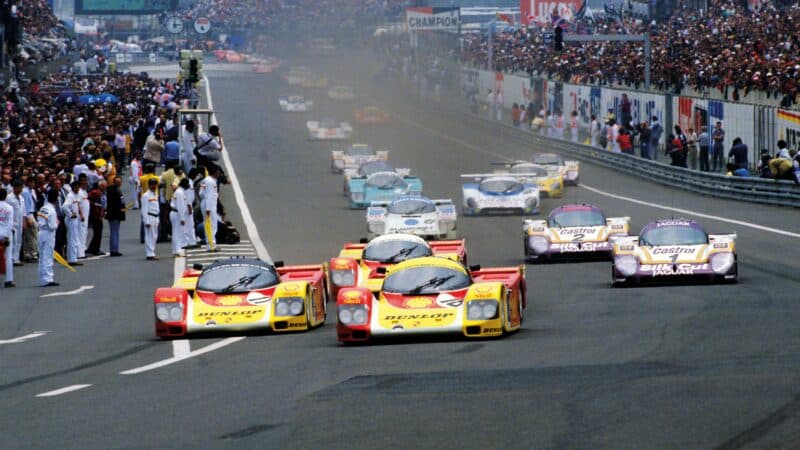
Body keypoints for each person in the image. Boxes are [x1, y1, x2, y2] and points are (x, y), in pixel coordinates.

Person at [37, 189, 59, 287]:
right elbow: (52, 226)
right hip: (48, 234)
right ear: (56, 199)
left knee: (42, 257)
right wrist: (57, 224)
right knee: (48, 256)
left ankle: (42, 278)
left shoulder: (43, 208)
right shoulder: (52, 211)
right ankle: (48, 279)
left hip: (40, 232)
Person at [63, 181, 84, 266]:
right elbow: (64, 206)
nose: (77, 189)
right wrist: (70, 214)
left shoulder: (76, 195)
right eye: (76, 187)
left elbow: (77, 204)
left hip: (75, 219)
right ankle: (72, 259)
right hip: (71, 219)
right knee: (72, 239)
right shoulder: (70, 196)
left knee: (74, 238)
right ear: (72, 188)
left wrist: (80, 214)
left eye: (78, 187)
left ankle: (72, 258)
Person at [199, 165, 220, 252]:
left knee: (209, 225)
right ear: (215, 172)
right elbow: (209, 196)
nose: (219, 173)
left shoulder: (206, 180)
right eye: (218, 171)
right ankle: (211, 245)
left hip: (206, 204)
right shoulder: (211, 182)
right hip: (209, 206)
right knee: (211, 225)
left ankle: (211, 244)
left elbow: (201, 193)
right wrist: (208, 209)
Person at [105, 176, 125, 257]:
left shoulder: (112, 190)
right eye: (117, 182)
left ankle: (113, 249)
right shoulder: (115, 190)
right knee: (114, 232)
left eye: (119, 182)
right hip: (115, 214)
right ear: (114, 182)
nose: (118, 183)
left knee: (114, 232)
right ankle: (114, 250)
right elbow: (119, 203)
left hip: (113, 214)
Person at [141, 178, 160, 260]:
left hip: (155, 217)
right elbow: (144, 210)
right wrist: (146, 221)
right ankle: (150, 254)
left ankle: (152, 252)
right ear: (149, 185)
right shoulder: (146, 196)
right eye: (152, 184)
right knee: (149, 236)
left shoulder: (155, 194)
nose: (154, 186)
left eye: (155, 184)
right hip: (149, 217)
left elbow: (157, 207)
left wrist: (158, 219)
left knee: (154, 236)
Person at [86, 180, 107, 255]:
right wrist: (94, 205)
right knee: (98, 233)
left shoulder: (103, 193)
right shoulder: (95, 193)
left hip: (100, 214)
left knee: (97, 233)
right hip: (95, 215)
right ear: (99, 186)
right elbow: (87, 199)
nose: (105, 187)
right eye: (103, 185)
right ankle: (96, 249)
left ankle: (91, 248)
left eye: (105, 185)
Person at [170, 178, 190, 257]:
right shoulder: (180, 193)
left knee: (176, 232)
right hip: (177, 214)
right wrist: (182, 218)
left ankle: (175, 249)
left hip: (176, 213)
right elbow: (180, 206)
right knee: (178, 232)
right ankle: (178, 250)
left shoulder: (179, 191)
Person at [7, 180, 25, 267]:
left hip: (20, 223)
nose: (21, 189)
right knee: (13, 242)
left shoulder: (21, 198)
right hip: (12, 223)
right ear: (15, 188)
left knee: (19, 241)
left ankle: (16, 259)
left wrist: (24, 222)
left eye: (22, 188)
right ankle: (11, 259)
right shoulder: (9, 198)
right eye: (19, 187)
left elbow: (24, 211)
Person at [0, 189, 15, 287]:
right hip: (6, 234)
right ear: (5, 196)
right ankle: (8, 279)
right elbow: (10, 223)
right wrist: (5, 236)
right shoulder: (9, 208)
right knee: (8, 257)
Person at [78, 174, 90, 259]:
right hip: (81, 217)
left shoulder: (85, 191)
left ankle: (83, 249)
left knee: (84, 233)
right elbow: (77, 204)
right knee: (80, 234)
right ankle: (80, 253)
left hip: (86, 216)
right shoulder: (78, 192)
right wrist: (81, 214)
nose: (85, 183)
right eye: (83, 181)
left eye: (86, 181)